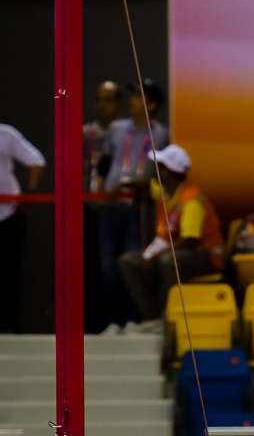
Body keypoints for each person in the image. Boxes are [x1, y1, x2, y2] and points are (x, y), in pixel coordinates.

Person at [117, 144, 225, 333]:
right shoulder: (166, 191)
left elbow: (190, 240)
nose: (156, 171)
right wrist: (124, 185)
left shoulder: (191, 200)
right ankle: (152, 318)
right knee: (128, 262)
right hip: (176, 248)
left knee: (168, 262)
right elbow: (147, 185)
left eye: (160, 167)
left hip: (205, 255)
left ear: (168, 173)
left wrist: (155, 258)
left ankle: (170, 318)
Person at [95, 78, 169, 335]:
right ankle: (113, 321)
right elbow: (104, 163)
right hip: (111, 206)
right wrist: (100, 191)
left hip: (138, 209)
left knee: (131, 263)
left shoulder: (161, 134)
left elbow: (161, 174)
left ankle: (132, 319)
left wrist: (134, 184)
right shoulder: (117, 128)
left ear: (152, 104)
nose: (132, 102)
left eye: (138, 97)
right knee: (108, 266)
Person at [0, 86, 46, 333]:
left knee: (8, 275)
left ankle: (8, 327)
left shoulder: (6, 134)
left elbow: (36, 161)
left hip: (6, 216)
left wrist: (29, 195)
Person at [83, 81, 122, 333]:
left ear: (117, 104)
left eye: (107, 100)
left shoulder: (123, 132)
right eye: (97, 99)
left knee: (114, 266)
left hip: (116, 205)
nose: (101, 105)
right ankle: (91, 322)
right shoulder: (85, 133)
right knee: (90, 265)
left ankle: (116, 320)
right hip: (88, 204)